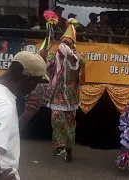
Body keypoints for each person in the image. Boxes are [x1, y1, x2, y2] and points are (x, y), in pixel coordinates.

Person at [0, 51, 47, 180]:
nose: (34, 88)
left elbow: (3, 136)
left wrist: (26, 116)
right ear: (29, 80)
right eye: (36, 82)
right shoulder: (2, 104)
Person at [47, 17, 84, 163]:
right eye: (63, 42)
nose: (64, 45)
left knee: (69, 123)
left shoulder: (78, 57)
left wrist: (73, 57)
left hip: (71, 94)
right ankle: (59, 145)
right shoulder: (56, 56)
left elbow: (81, 69)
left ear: (72, 44)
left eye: (68, 43)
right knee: (56, 117)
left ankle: (68, 150)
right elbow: (48, 67)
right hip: (58, 92)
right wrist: (47, 56)